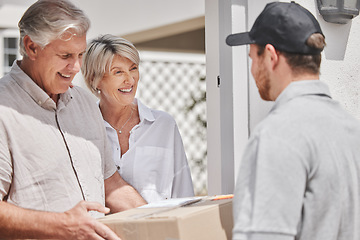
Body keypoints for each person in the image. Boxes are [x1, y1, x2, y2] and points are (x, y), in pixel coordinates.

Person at [0, 0, 146, 239]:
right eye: (66, 55)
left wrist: (163, 220)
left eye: (80, 54)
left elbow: (110, 183)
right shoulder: (4, 110)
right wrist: (62, 225)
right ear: (31, 47)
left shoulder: (85, 104)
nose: (76, 67)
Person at [226, 2, 360, 240]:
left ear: (270, 56)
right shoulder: (350, 128)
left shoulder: (276, 135)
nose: (253, 69)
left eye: (252, 59)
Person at [81, 34, 195, 203]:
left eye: (133, 68)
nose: (130, 79)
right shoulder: (82, 130)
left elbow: (183, 191)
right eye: (118, 72)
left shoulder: (163, 125)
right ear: (94, 80)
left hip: (157, 227)